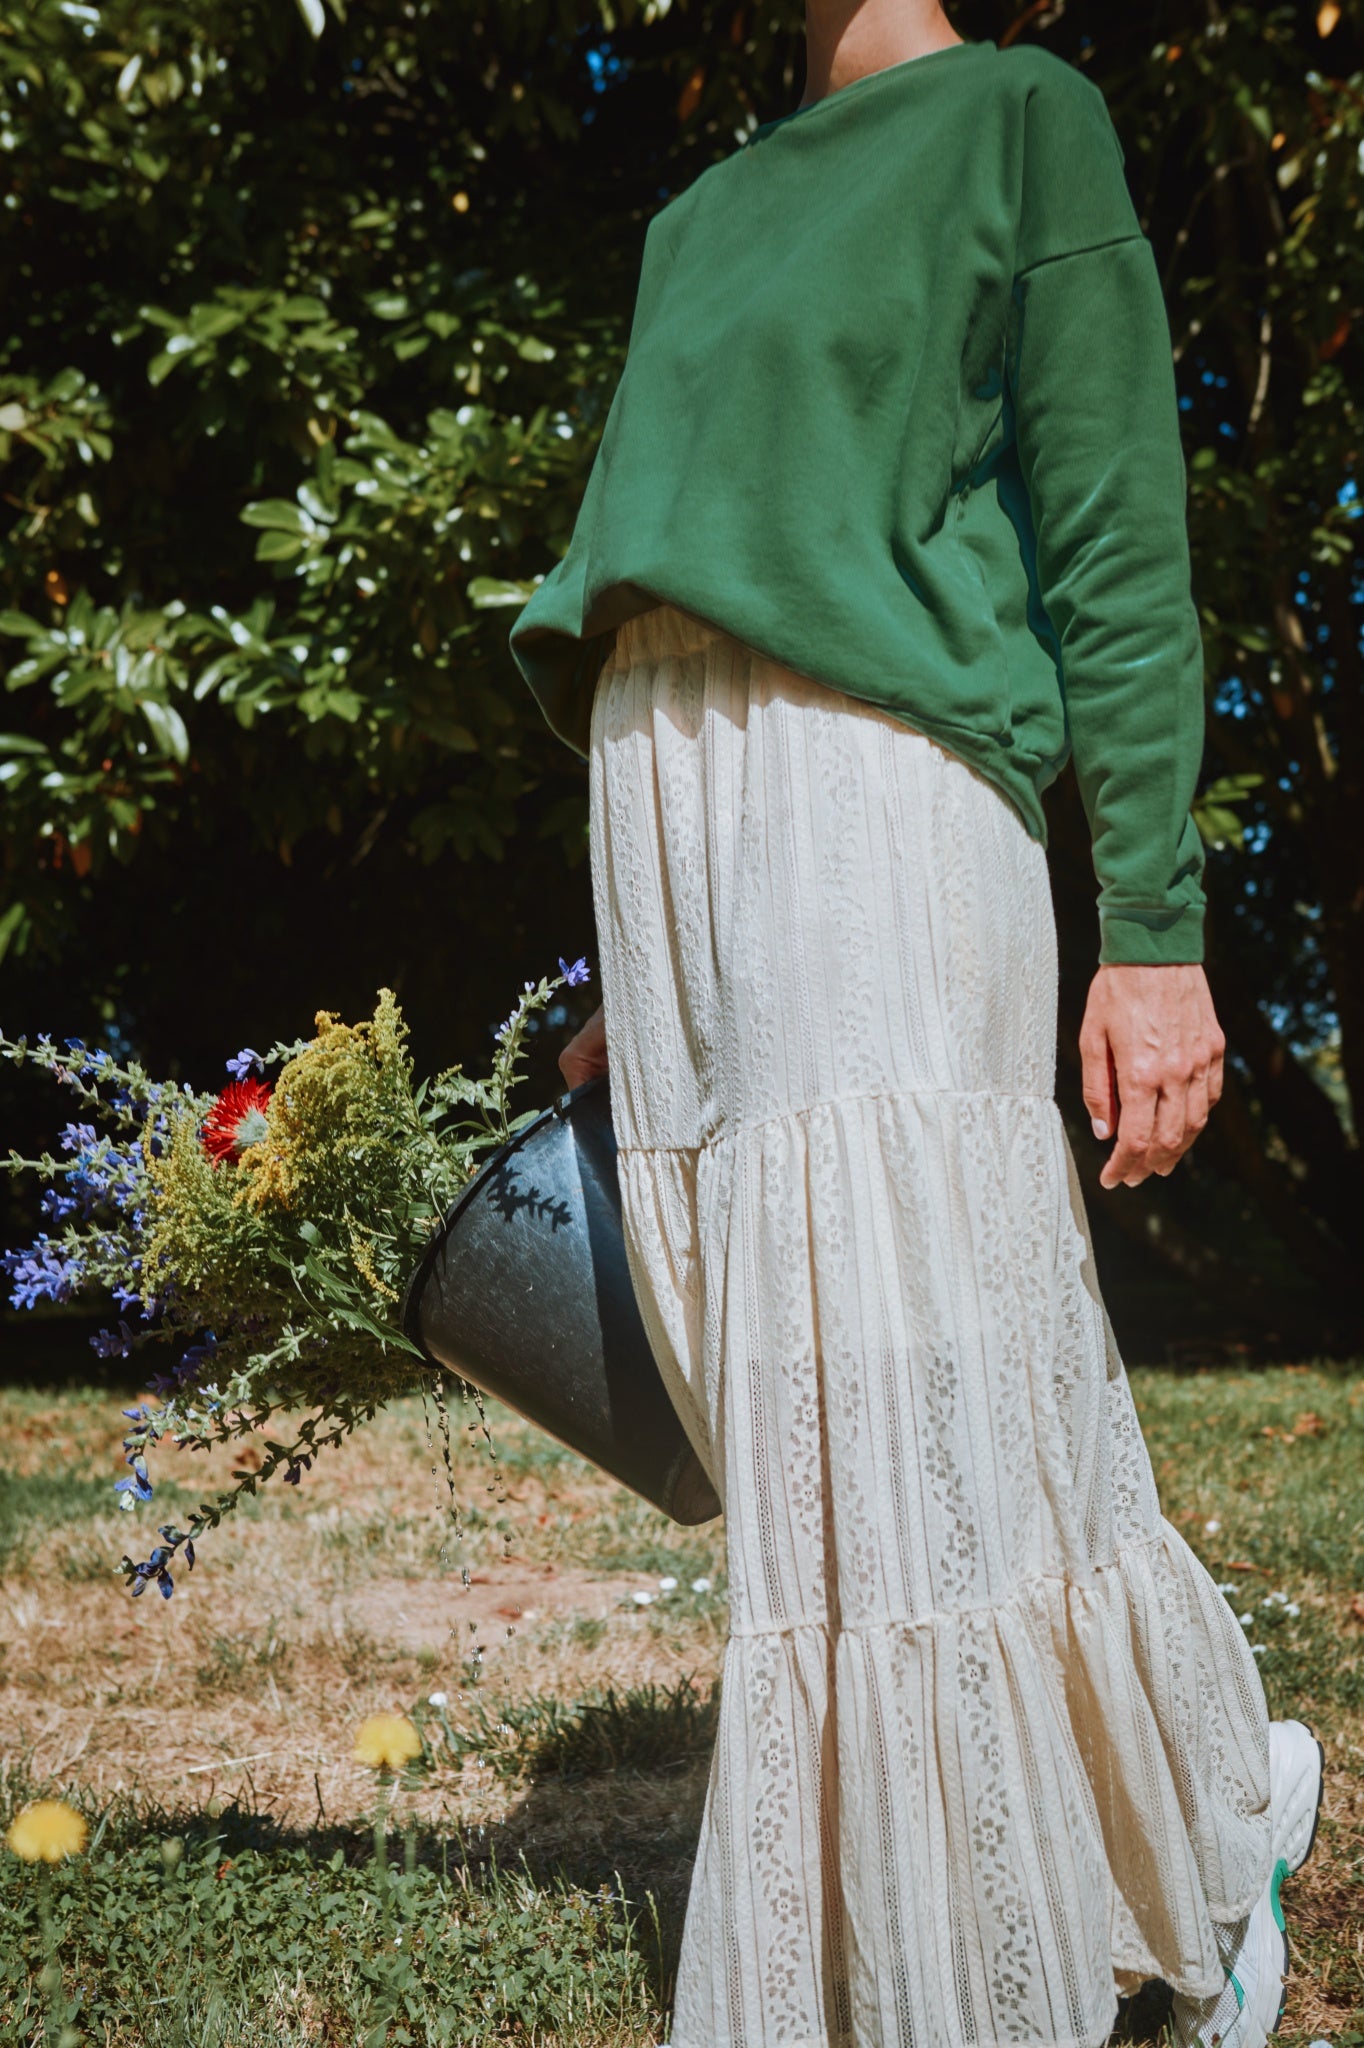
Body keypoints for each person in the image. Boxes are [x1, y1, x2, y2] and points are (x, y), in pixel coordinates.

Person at [508, 6, 1325, 2044]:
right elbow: (695, 570)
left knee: (915, 1400)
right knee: (797, 1417)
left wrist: (1154, 935)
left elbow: (1118, 544)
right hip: (675, 822)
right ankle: (1125, 1835)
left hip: (881, 803)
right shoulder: (697, 218)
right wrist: (651, 965)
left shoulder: (1021, 120)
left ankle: (1158, 1879)